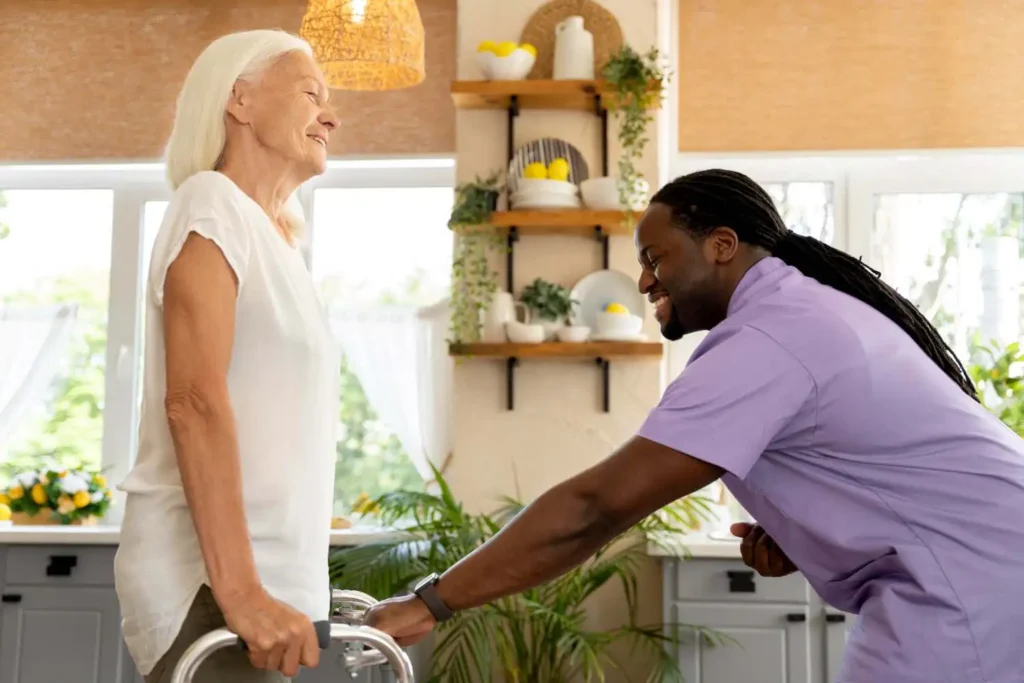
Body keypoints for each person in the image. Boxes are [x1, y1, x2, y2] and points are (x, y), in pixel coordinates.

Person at [364, 169, 1024, 683]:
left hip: (975, 587)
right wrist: (810, 533)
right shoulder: (798, 313)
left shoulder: (769, 336)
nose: (644, 280)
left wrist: (431, 602)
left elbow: (596, 507)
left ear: (722, 245)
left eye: (656, 257)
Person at [113, 29, 341, 683]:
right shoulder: (211, 203)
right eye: (311, 94)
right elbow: (193, 401)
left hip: (266, 586)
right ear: (239, 100)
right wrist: (241, 591)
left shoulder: (279, 241)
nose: (330, 116)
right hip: (214, 587)